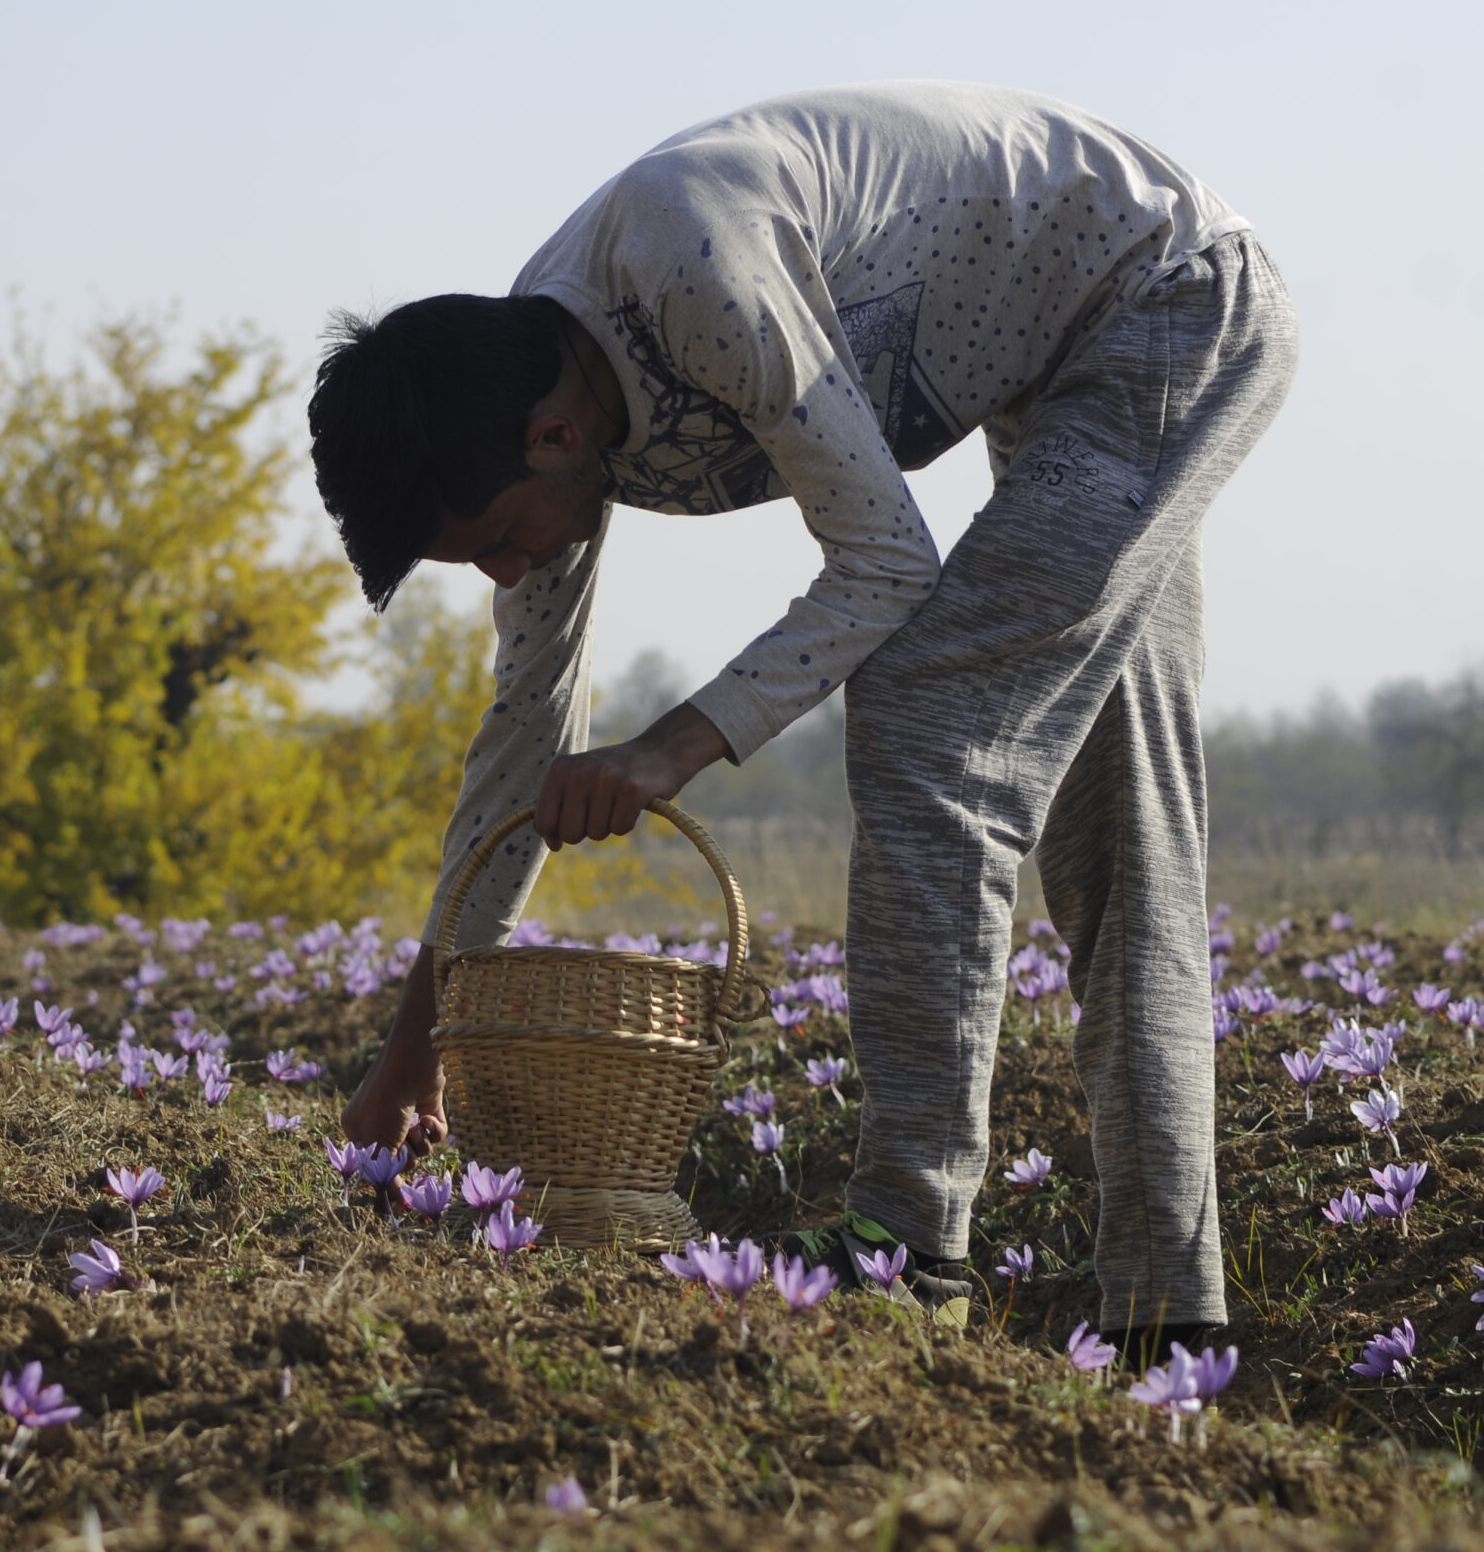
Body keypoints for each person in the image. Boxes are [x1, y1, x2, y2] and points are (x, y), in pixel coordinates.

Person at [308, 81, 1294, 1356]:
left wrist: (670, 747)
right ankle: (1170, 1313)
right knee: (1117, 828)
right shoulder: (511, 381)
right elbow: (523, 737)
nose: (509, 575)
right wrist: (416, 1050)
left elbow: (885, 564)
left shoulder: (693, 272)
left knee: (932, 717)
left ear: (552, 435)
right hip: (1065, 375)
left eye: (497, 541)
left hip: (1166, 301)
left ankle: (909, 1238)